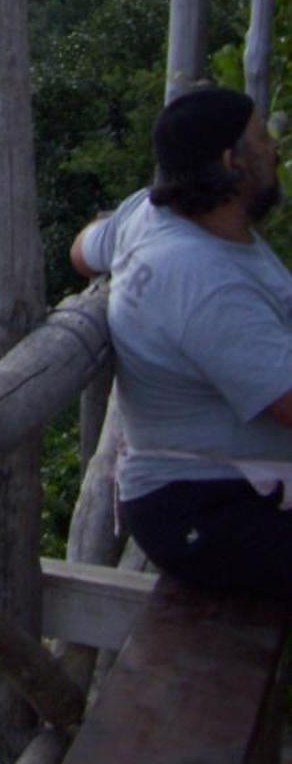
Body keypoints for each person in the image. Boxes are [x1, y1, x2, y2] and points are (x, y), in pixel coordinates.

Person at [71, 84, 292, 599]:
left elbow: (82, 252)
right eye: (263, 140)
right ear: (232, 162)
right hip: (211, 514)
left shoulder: (148, 215)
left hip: (214, 496)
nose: (275, 149)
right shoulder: (204, 282)